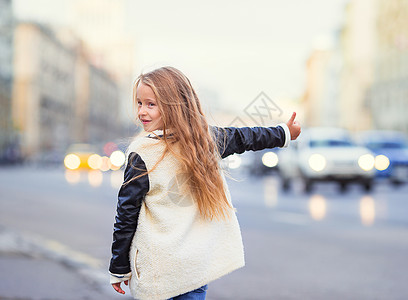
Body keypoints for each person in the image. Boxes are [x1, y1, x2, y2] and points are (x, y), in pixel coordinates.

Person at [109, 66, 301, 300]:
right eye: (139, 103)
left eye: (151, 104)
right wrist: (283, 133)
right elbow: (245, 137)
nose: (142, 112)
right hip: (190, 269)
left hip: (160, 272)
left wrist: (119, 267)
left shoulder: (151, 151)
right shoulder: (202, 141)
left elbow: (126, 212)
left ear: (174, 106)